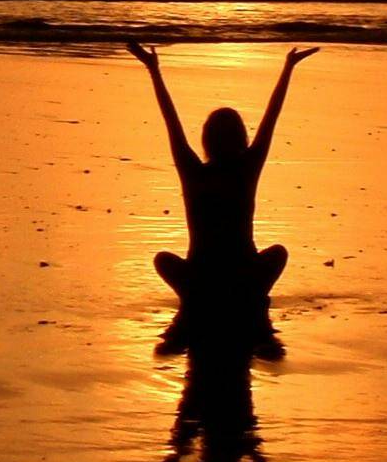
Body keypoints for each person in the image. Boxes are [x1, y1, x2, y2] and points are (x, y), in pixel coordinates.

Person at [128, 40, 316, 315]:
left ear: (207, 138)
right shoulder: (247, 169)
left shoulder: (194, 171)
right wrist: (287, 68)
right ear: (241, 137)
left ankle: (200, 297)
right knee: (278, 253)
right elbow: (271, 118)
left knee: (163, 260)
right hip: (244, 276)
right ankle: (245, 295)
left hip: (200, 278)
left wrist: (153, 69)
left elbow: (171, 121)